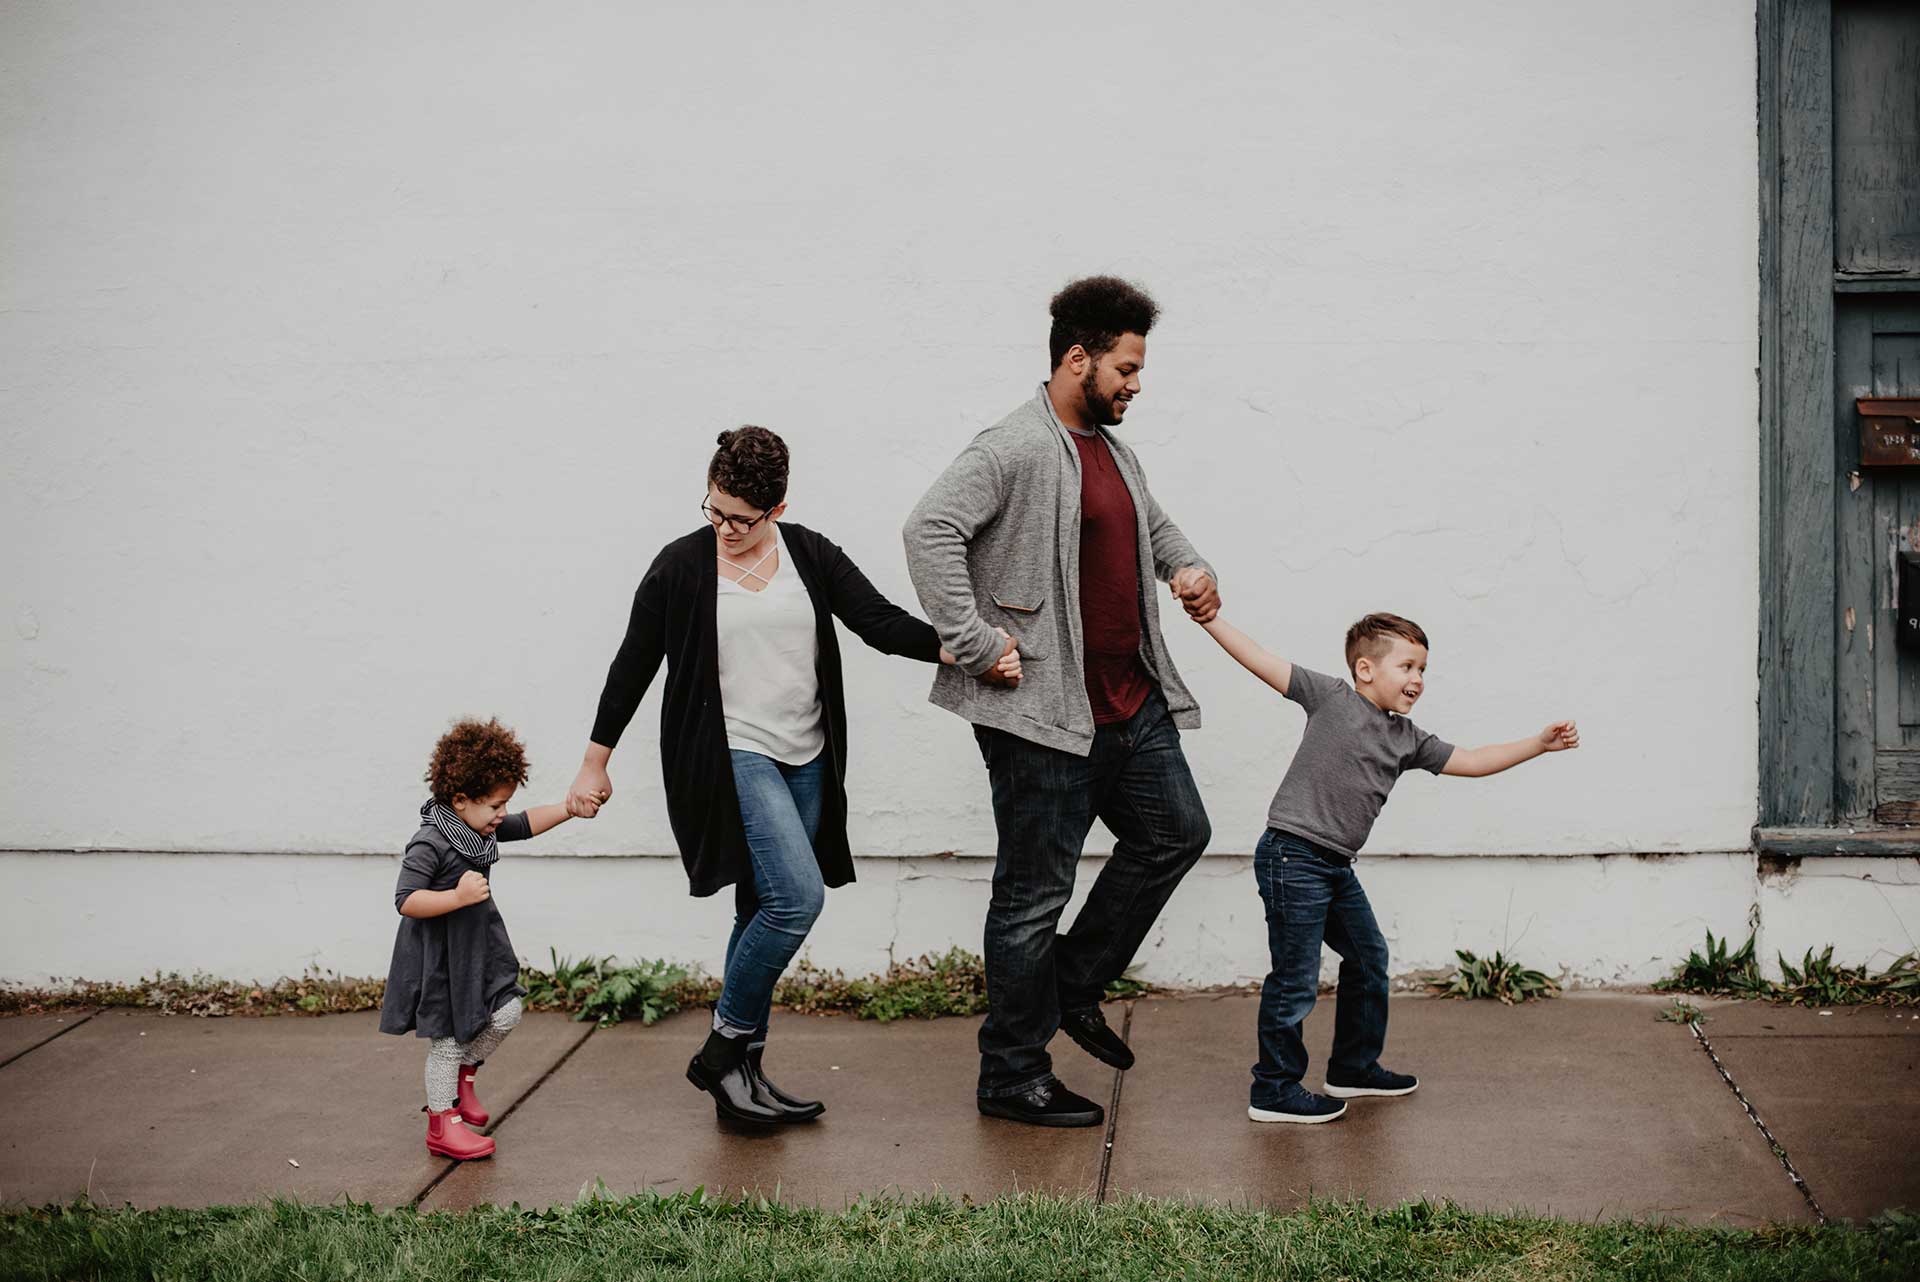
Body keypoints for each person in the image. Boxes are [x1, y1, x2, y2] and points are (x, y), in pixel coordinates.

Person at [568, 426, 1019, 1126]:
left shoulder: (807, 553)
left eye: (741, 519)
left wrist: (969, 651)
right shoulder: (681, 567)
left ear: (776, 509)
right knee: (796, 900)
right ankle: (722, 1051)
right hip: (733, 754)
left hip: (807, 757)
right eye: (713, 511)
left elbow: (878, 622)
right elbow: (633, 663)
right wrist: (595, 761)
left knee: (759, 908)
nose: (724, 528)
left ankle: (742, 1082)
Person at [903, 276, 1219, 1127]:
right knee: (1032, 895)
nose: (1136, 383)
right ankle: (1011, 1073)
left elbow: (1151, 527)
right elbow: (927, 529)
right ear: (1077, 358)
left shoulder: (1113, 450)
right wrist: (974, 642)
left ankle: (1071, 987)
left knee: (1176, 833)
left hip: (1129, 703)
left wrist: (1189, 568)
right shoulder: (1014, 447)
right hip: (1044, 715)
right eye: (1126, 366)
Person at [1197, 609, 1580, 1123]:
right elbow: (1260, 659)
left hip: (1335, 866)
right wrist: (1209, 620)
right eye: (1407, 667)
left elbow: (1471, 759)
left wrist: (1538, 744)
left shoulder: (1407, 738)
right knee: (1295, 977)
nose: (1417, 680)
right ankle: (1273, 1088)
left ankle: (1353, 1067)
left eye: (1423, 669)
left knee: (1368, 957)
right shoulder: (1330, 697)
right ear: (1365, 669)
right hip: (1292, 856)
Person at [380, 717, 578, 1160]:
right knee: (447, 1042)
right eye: (495, 805)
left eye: (504, 803)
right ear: (461, 799)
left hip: (477, 950)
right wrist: (456, 895)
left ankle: (465, 1075)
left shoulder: (479, 826)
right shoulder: (430, 841)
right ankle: (442, 1123)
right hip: (441, 958)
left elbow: (526, 823)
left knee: (507, 1010)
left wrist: (569, 807)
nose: (501, 814)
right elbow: (406, 899)